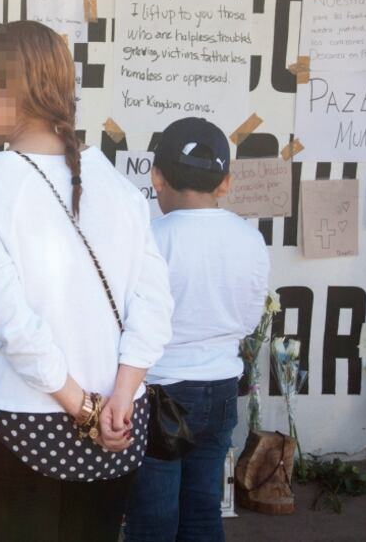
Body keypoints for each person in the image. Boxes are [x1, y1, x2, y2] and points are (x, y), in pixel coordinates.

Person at [0, 20, 174, 541]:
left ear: (8, 89)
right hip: (120, 424)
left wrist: (86, 409)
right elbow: (155, 304)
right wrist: (118, 400)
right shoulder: (117, 186)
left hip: (21, 420)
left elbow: (14, 326)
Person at [124, 118, 270, 542]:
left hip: (160, 392)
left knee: (153, 516)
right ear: (225, 183)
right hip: (222, 386)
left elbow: (132, 322)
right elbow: (247, 321)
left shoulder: (150, 238)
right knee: (204, 510)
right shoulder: (250, 239)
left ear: (156, 176)